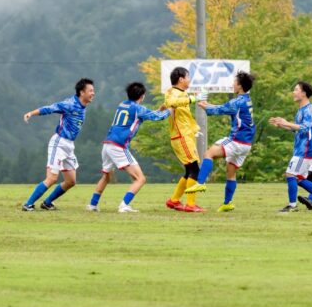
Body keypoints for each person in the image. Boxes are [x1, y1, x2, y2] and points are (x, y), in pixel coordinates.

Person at [87, 82, 171, 213]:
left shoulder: (123, 104)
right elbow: (157, 118)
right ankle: (124, 205)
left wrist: (159, 110)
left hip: (107, 144)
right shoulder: (138, 109)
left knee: (106, 177)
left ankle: (92, 205)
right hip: (119, 146)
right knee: (140, 179)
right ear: (142, 96)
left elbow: (144, 115)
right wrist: (170, 110)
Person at [21, 78, 95, 211]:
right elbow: (50, 108)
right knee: (52, 178)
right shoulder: (70, 104)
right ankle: (28, 204)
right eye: (90, 91)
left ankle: (47, 203)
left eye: (93, 91)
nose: (93, 93)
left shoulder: (82, 106)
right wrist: (31, 113)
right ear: (82, 92)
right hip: (59, 143)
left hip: (69, 145)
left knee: (71, 181)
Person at [187, 71, 256, 212]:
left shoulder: (237, 102)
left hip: (236, 141)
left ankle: (200, 182)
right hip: (246, 144)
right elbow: (224, 107)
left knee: (208, 154)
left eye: (234, 82)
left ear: (240, 85)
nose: (232, 84)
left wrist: (203, 105)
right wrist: (207, 104)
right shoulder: (246, 99)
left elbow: (219, 109)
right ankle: (227, 203)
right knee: (231, 172)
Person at [269, 81, 312, 213]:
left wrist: (286, 122)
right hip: (300, 148)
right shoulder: (301, 110)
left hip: (305, 148)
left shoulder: (309, 109)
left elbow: (305, 128)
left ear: (303, 93)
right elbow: (297, 129)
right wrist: (281, 125)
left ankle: (292, 206)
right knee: (299, 178)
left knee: (290, 174)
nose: (293, 92)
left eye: (296, 89)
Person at [163, 67, 206, 213]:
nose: (189, 80)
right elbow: (171, 103)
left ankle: (174, 201)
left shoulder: (181, 93)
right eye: (188, 77)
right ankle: (190, 205)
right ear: (181, 79)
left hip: (185, 135)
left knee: (189, 171)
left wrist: (194, 129)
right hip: (181, 136)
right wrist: (193, 98)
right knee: (195, 170)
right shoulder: (172, 92)